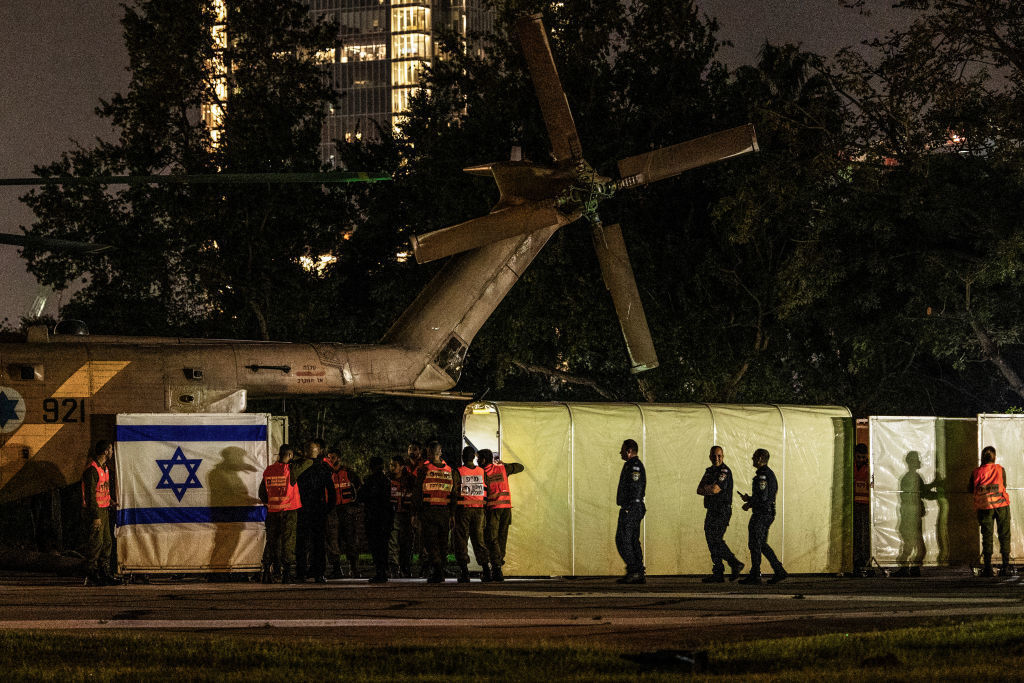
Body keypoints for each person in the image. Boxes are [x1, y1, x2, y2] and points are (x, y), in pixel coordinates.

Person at [739, 448, 787, 585]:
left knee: (755, 543)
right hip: (767, 512)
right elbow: (763, 496)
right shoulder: (768, 474)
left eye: (754, 457)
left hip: (762, 513)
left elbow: (763, 497)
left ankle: (756, 575)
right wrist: (750, 499)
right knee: (761, 543)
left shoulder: (763, 475)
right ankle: (778, 570)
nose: (752, 459)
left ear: (760, 458)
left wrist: (749, 504)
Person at [696, 445, 743, 582]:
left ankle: (733, 563)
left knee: (715, 539)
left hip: (722, 510)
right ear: (710, 456)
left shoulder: (724, 471)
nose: (716, 458)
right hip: (711, 510)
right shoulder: (709, 471)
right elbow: (698, 489)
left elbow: (716, 489)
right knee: (711, 540)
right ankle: (719, 571)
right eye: (714, 456)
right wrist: (708, 489)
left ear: (723, 456)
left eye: (719, 456)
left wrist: (708, 488)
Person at [479, 448, 524, 582]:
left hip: (493, 509)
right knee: (501, 538)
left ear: (483, 460)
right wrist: (503, 464)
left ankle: (496, 568)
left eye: (478, 459)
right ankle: (498, 566)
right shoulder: (503, 468)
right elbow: (520, 467)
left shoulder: (482, 473)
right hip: (506, 509)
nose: (477, 461)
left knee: (492, 539)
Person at [413, 440, 456, 583]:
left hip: (429, 510)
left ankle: (437, 570)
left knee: (430, 542)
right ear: (440, 452)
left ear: (430, 452)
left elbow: (418, 492)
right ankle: (441, 569)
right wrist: (452, 514)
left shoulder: (424, 469)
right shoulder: (449, 469)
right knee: (443, 542)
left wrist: (416, 513)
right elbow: (453, 493)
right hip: (444, 511)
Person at [258, 443, 301, 583]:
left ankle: (266, 573)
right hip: (289, 512)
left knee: (271, 542)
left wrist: (272, 502)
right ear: (290, 455)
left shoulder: (269, 470)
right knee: (288, 542)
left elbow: (262, 493)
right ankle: (287, 575)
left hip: (272, 512)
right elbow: (308, 462)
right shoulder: (291, 470)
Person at [295, 440, 335, 583]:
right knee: (318, 542)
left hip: (302, 508)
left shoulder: (299, 466)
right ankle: (318, 573)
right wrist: (327, 508)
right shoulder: (323, 468)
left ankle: (301, 572)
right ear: (319, 452)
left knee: (302, 542)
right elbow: (331, 491)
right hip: (318, 509)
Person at [969, 445, 1012, 577]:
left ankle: (988, 567)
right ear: (994, 457)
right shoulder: (1000, 469)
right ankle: (1005, 566)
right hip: (1001, 506)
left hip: (985, 507)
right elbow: (1003, 485)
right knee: (1004, 535)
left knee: (987, 536)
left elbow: (971, 488)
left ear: (982, 457)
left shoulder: (976, 472)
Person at [82, 439, 117, 586]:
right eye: (111, 449)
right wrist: (95, 516)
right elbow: (90, 496)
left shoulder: (105, 468)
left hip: (104, 510)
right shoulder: (92, 470)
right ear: (105, 452)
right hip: (95, 512)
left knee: (107, 542)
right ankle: (91, 574)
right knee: (96, 543)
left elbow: (103, 490)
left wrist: (110, 501)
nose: (112, 452)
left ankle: (104, 572)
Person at [326, 446, 362, 578]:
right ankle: (336, 569)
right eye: (328, 457)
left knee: (351, 539)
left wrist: (354, 506)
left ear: (339, 458)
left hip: (347, 510)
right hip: (333, 510)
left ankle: (354, 568)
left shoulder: (349, 473)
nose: (330, 460)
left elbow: (359, 489)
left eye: (333, 457)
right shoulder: (327, 474)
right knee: (333, 540)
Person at [453, 446, 489, 583]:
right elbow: (488, 489)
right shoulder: (482, 471)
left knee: (461, 540)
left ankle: (465, 573)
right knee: (479, 540)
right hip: (479, 510)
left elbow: (454, 491)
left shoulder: (459, 471)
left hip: (463, 510)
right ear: (474, 457)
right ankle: (486, 571)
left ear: (463, 457)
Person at [615, 439, 646, 584]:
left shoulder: (634, 467)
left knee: (624, 539)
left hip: (632, 507)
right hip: (633, 507)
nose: (620, 452)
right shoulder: (631, 465)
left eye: (622, 450)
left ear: (629, 451)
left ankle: (635, 570)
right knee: (632, 539)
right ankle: (637, 571)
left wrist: (628, 506)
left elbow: (635, 487)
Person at [360, 456, 395, 583]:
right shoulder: (387, 481)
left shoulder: (371, 480)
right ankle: (383, 570)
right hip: (384, 518)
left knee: (376, 546)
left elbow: (361, 496)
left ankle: (380, 571)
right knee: (383, 546)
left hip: (374, 518)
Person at [388, 455, 415, 577]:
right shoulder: (387, 480)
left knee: (406, 542)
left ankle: (405, 567)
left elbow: (414, 498)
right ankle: (394, 568)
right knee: (392, 542)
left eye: (394, 465)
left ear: (402, 467)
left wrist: (413, 514)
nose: (392, 468)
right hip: (393, 514)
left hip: (407, 515)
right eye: (391, 465)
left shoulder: (410, 480)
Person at [852, 443, 873, 576]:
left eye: (862, 457)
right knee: (856, 533)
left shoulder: (869, 467)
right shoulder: (851, 466)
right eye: (858, 457)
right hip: (854, 504)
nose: (860, 459)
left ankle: (865, 558)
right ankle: (857, 557)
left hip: (865, 505)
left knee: (865, 533)